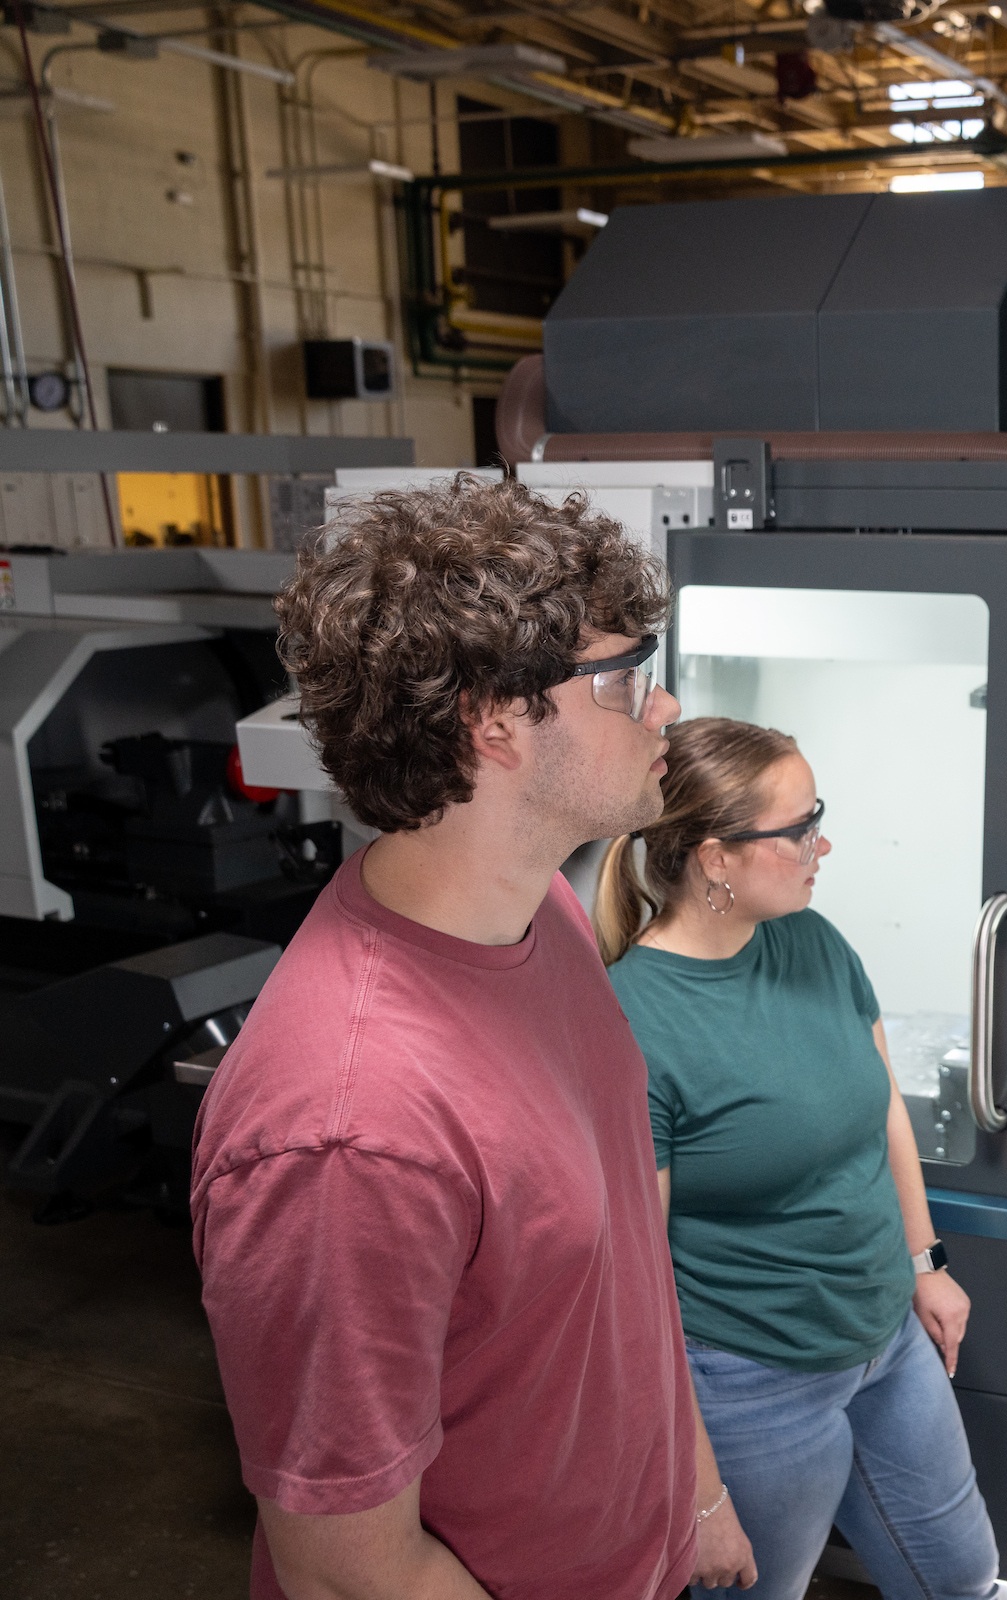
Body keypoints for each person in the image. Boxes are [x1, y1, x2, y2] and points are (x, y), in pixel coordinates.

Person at [189, 478, 759, 1600]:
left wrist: (693, 1498)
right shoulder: (347, 1132)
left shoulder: (536, 906)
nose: (662, 707)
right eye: (619, 678)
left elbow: (619, 1273)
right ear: (493, 721)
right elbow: (349, 1571)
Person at [597, 716, 999, 1600]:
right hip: (748, 1378)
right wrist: (701, 1500)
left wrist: (924, 1262)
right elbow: (636, 1281)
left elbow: (882, 1106)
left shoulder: (813, 943)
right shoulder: (634, 1022)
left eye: (818, 815)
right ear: (715, 858)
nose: (823, 843)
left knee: (961, 1577)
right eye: (798, 828)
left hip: (887, 1339)